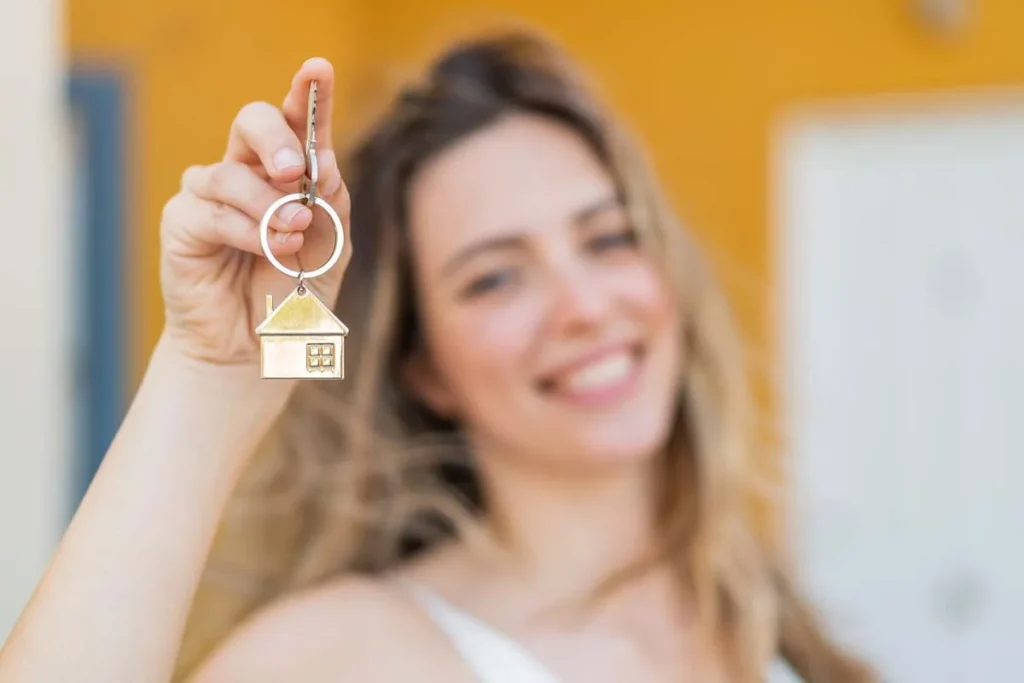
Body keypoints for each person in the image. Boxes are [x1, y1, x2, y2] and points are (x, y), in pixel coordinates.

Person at [0, 31, 877, 683]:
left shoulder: (764, 615)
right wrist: (213, 376)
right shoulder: (354, 650)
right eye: (496, 278)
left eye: (608, 239)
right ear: (425, 368)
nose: (583, 306)